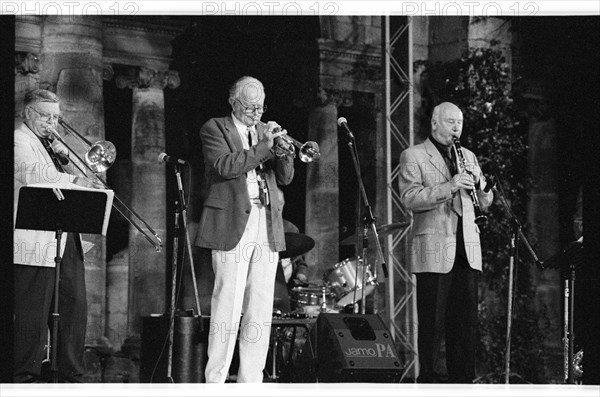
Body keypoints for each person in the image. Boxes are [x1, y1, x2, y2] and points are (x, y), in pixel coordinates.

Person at [195, 76, 295, 383]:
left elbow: (287, 178)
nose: (256, 113)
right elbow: (225, 167)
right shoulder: (215, 128)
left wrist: (283, 150)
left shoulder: (265, 132)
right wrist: (265, 146)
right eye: (249, 106)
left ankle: (251, 381)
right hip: (231, 220)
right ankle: (216, 380)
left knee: (261, 306)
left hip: (266, 221)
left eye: (260, 106)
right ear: (233, 102)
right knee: (227, 302)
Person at [398, 102, 493, 383]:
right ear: (435, 124)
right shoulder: (413, 155)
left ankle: (463, 381)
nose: (456, 128)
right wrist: (450, 186)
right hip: (434, 249)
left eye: (460, 123)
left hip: (467, 249)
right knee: (433, 324)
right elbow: (410, 198)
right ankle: (429, 381)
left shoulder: (469, 156)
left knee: (465, 326)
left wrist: (480, 185)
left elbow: (486, 204)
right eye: (450, 122)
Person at [13, 89, 103, 382]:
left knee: (74, 308)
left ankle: (71, 373)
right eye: (45, 116)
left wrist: (66, 156)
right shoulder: (18, 139)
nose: (52, 123)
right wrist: (76, 180)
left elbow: (89, 176)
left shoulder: (51, 145)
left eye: (56, 118)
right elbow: (36, 176)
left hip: (67, 238)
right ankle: (23, 375)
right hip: (35, 241)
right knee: (33, 312)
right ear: (28, 113)